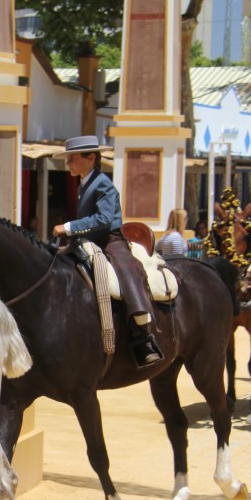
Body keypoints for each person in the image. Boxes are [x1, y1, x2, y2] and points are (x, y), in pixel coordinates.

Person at [52, 135, 164, 367]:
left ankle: (143, 336)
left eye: (72, 158)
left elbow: (104, 219)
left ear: (90, 157)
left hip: (110, 241)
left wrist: (69, 227)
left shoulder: (102, 183)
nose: (68, 163)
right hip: (86, 242)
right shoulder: (84, 183)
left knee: (127, 272)